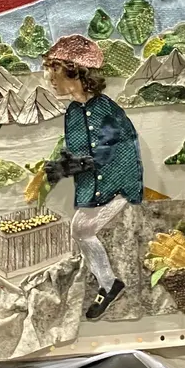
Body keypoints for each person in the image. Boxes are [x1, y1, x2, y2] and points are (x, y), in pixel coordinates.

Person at [42, 36, 144, 321]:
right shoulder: (73, 111)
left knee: (81, 230)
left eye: (55, 71)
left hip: (116, 186)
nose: (51, 79)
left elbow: (113, 152)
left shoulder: (105, 109)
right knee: (81, 230)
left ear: (74, 72)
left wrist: (73, 166)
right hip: (93, 187)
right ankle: (109, 284)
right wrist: (65, 165)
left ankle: (109, 285)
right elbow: (78, 151)